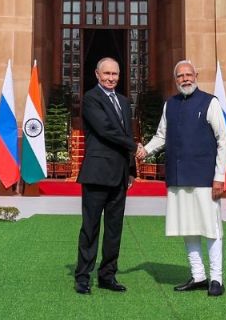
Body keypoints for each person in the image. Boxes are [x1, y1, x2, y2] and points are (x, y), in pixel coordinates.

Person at [136, 60, 226, 297]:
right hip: (178, 176)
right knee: (188, 226)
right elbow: (161, 136)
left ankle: (216, 279)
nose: (185, 79)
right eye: (180, 76)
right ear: (175, 79)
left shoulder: (210, 102)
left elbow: (223, 140)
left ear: (196, 75)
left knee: (211, 228)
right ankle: (198, 275)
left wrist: (219, 177)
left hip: (205, 177)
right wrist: (145, 150)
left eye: (189, 74)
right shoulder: (170, 104)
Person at [73, 57, 138, 295]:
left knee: (114, 229)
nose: (111, 78)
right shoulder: (91, 98)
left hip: (119, 174)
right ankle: (83, 276)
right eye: (107, 74)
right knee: (90, 228)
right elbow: (105, 130)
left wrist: (132, 169)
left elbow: (127, 132)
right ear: (97, 74)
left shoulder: (124, 101)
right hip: (97, 173)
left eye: (115, 74)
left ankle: (107, 275)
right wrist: (135, 146)